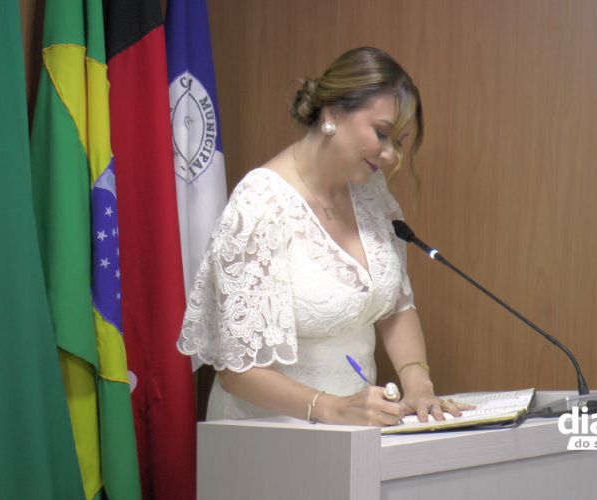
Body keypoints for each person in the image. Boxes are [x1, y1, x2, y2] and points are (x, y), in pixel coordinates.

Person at [177, 46, 469, 426]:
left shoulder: (371, 193)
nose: (391, 155)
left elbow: (396, 305)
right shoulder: (259, 206)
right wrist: (332, 408)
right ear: (332, 113)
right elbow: (237, 371)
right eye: (382, 134)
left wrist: (418, 384)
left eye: (399, 142)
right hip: (269, 434)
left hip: (354, 435)